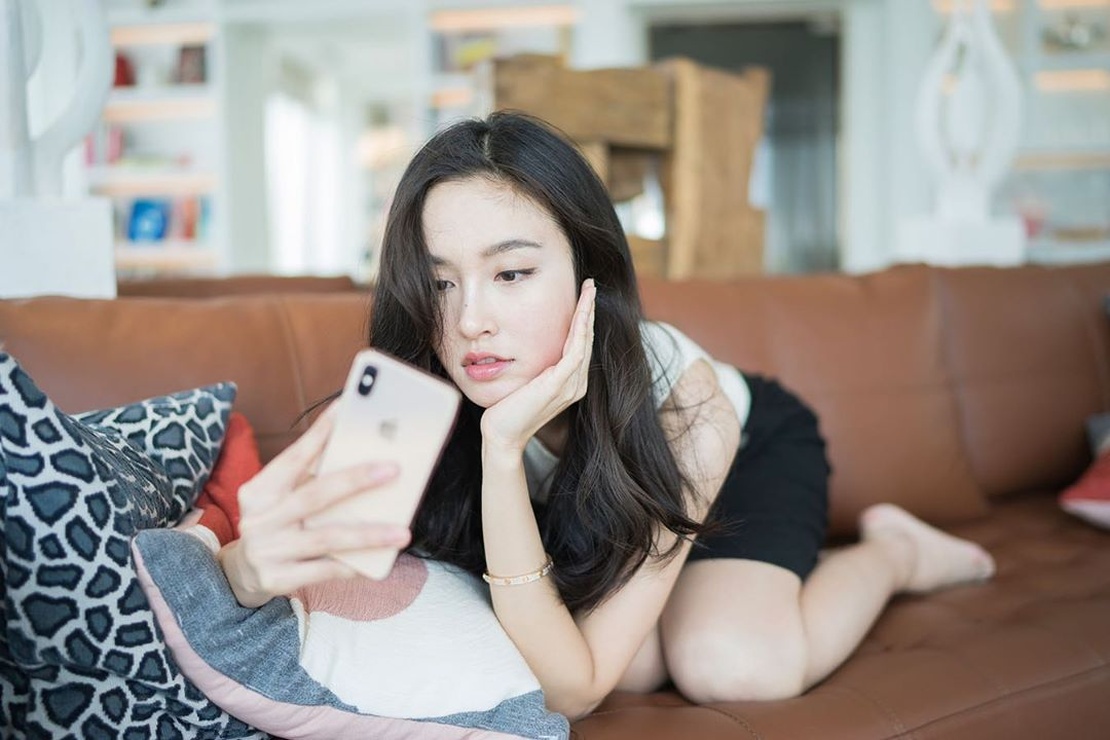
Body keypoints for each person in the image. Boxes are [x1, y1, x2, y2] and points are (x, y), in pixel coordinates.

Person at [217, 111, 996, 719]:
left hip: (737, 458)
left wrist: (499, 452)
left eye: (512, 273)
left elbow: (573, 691)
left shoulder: (689, 404)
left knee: (732, 664)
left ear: (590, 274)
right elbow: (308, 571)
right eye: (441, 282)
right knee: (638, 663)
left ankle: (896, 552)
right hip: (602, 515)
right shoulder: (413, 377)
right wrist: (246, 570)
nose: (471, 320)